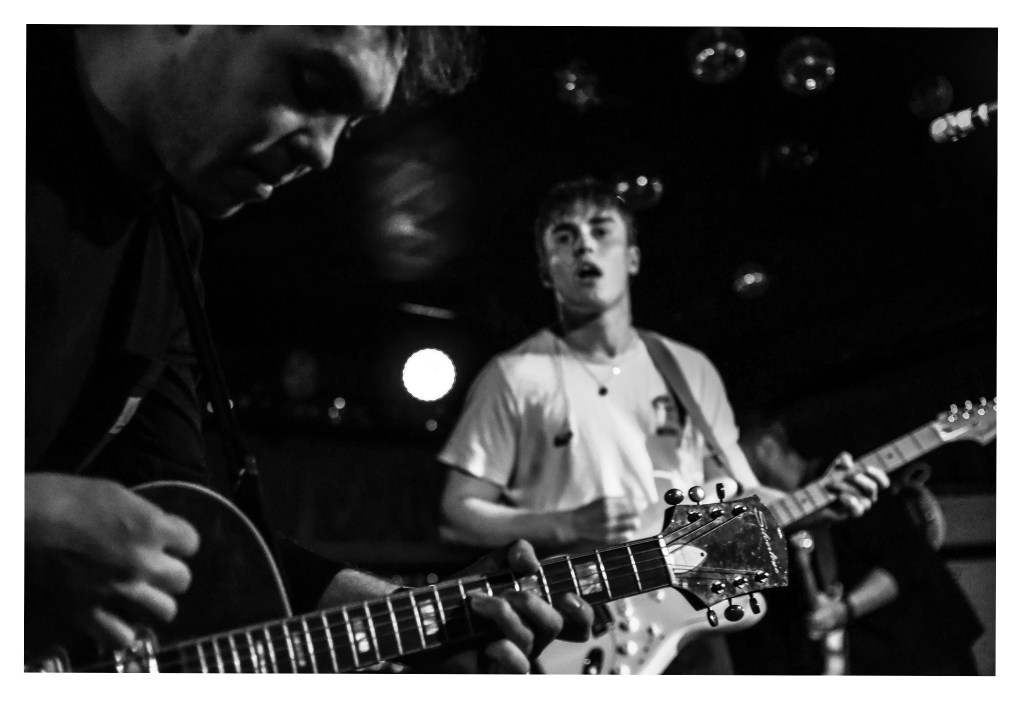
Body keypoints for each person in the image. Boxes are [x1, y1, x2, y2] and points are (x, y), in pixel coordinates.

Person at [25, 25, 593, 673]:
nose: (324, 153)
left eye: (348, 127)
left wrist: (416, 618)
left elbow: (187, 526)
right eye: (313, 84)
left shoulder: (171, 241)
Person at [436, 177, 890, 673]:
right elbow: (458, 512)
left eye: (601, 231)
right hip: (582, 623)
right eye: (564, 237)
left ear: (632, 258)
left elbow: (740, 497)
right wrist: (562, 523)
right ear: (547, 271)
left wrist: (821, 503)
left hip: (693, 614)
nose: (584, 244)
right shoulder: (515, 375)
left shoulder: (687, 368)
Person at [729, 417, 983, 675]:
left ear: (766, 444)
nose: (725, 469)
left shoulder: (844, 479)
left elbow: (906, 558)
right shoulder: (787, 515)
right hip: (878, 661)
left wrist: (844, 609)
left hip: (926, 650)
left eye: (728, 454)